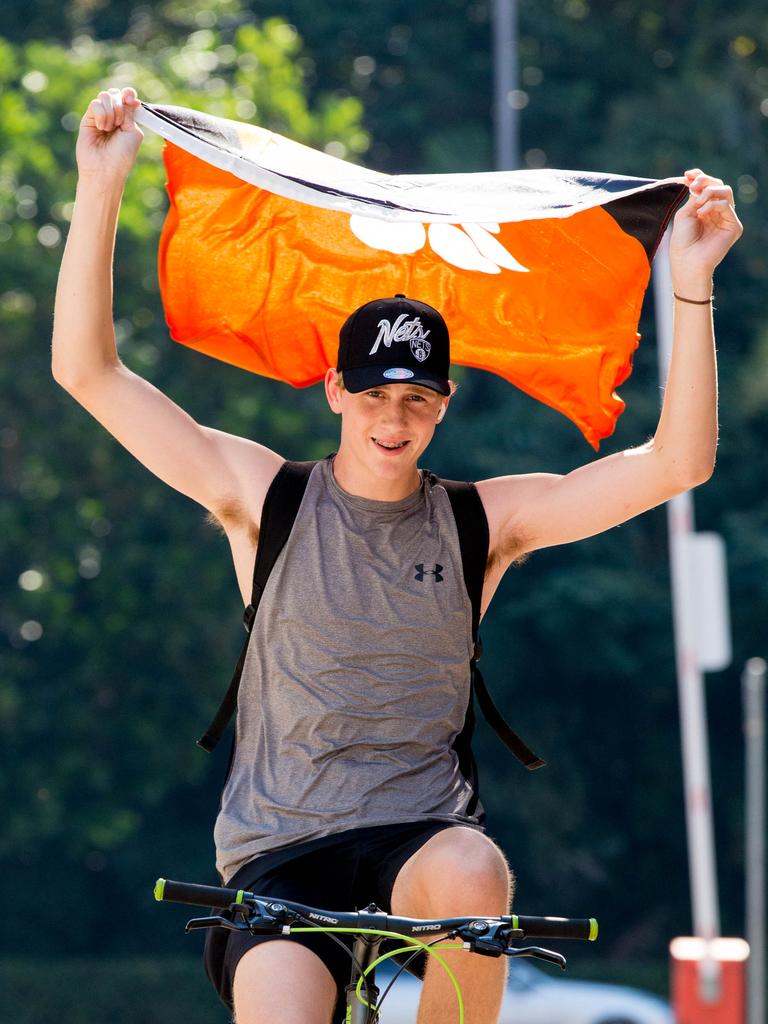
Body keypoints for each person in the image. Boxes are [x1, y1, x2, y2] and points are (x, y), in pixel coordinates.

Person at [52, 86, 742, 1024]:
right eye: (375, 394)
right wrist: (102, 182)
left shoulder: (481, 522)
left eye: (417, 397)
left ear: (445, 404)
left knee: (474, 865)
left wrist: (690, 280)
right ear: (336, 389)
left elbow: (677, 461)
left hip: (417, 847)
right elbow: (88, 372)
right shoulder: (265, 496)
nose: (394, 417)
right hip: (279, 861)